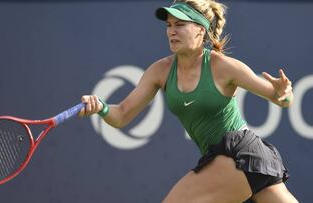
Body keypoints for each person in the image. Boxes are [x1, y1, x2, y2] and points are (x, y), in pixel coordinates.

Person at [79, 0, 299, 202]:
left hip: (239, 155)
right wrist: (101, 107)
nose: (171, 32)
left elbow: (282, 100)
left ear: (200, 30)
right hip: (233, 161)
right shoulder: (160, 71)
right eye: (169, 25)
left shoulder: (223, 66)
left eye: (180, 25)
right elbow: (121, 115)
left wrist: (284, 93)